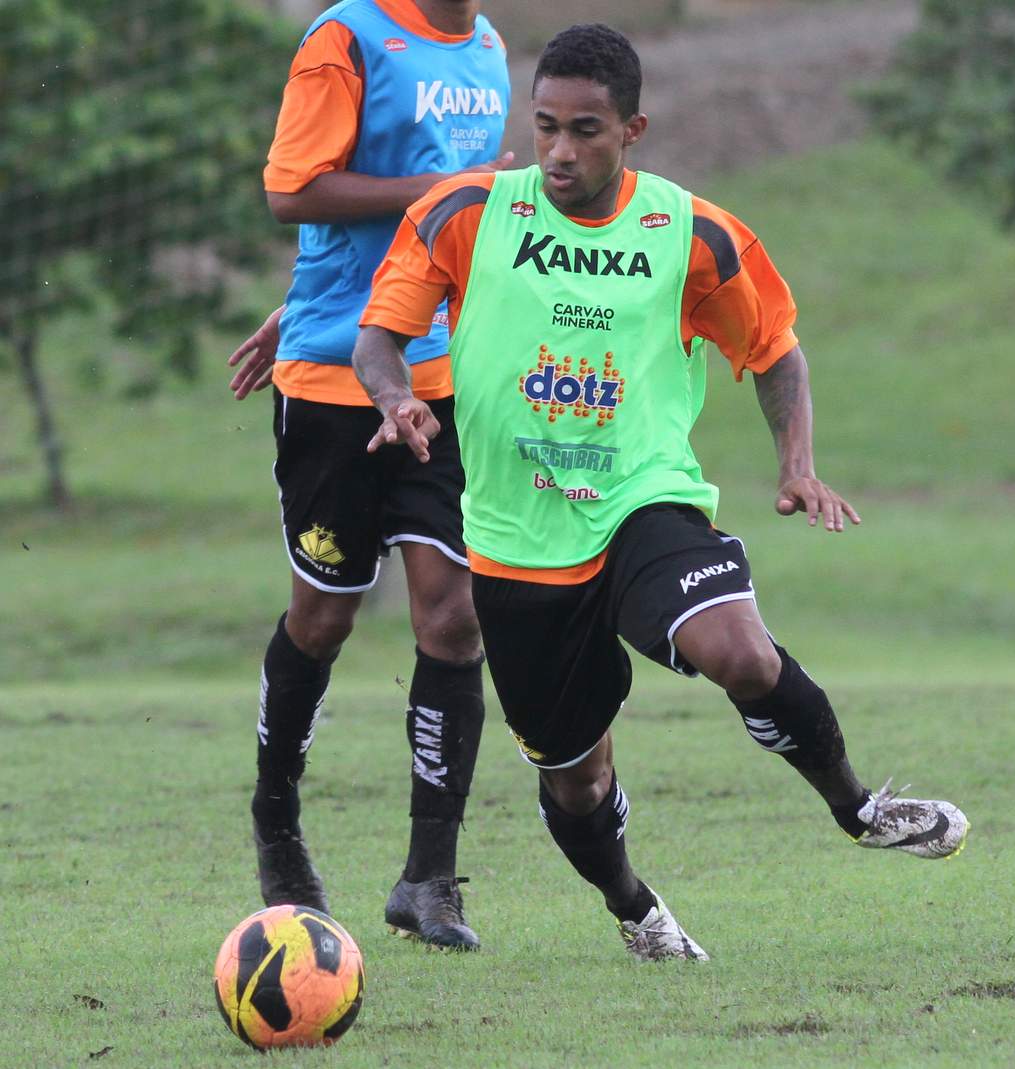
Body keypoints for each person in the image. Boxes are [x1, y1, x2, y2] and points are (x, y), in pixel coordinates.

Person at [352, 22, 969, 961]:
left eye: (586, 130)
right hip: (517, 540)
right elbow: (378, 336)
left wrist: (796, 464)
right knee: (577, 780)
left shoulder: (690, 232)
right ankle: (635, 907)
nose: (560, 151)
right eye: (546, 126)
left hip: (641, 499)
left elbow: (775, 351)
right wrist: (394, 396)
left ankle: (859, 808)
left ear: (632, 130)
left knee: (742, 653)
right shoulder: (466, 213)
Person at [223, 0, 512, 950]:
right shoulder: (344, 38)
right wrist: (308, 302)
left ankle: (430, 877)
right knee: (324, 618)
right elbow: (293, 191)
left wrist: (459, 201)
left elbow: (447, 231)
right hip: (333, 383)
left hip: (442, 376)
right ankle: (276, 821)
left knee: (454, 613)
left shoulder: (488, 48)